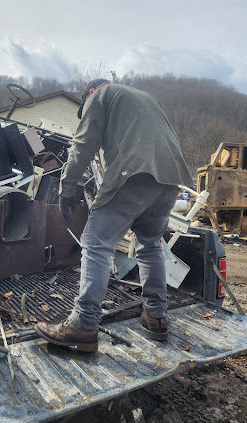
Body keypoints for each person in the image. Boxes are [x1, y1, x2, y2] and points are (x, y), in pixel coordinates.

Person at [34, 80, 194, 352]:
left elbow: (83, 144)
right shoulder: (146, 97)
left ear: (89, 94)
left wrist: (67, 188)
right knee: (150, 245)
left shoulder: (100, 96)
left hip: (133, 174)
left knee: (95, 244)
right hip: (170, 180)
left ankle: (82, 325)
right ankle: (156, 316)